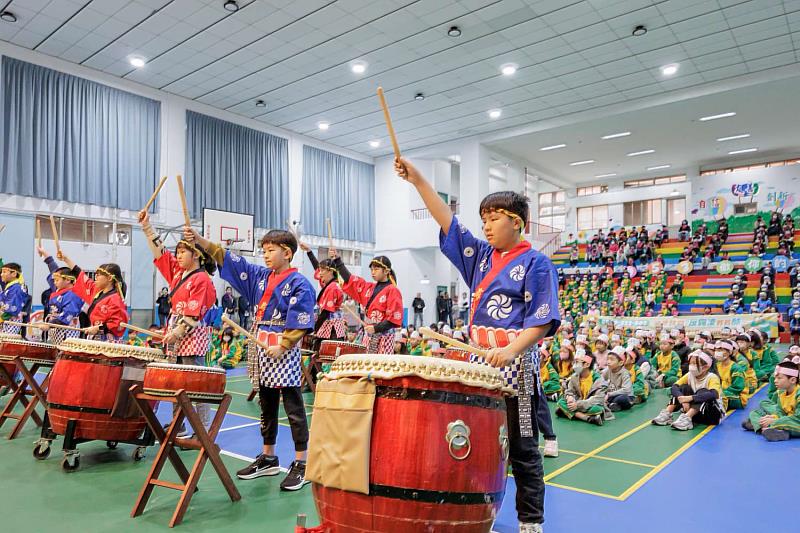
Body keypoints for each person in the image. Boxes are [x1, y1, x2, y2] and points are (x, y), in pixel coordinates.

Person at [397, 157, 560, 532]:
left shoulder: (536, 263)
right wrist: (418, 180)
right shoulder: (481, 258)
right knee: (472, 440)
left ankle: (530, 520)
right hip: (478, 365)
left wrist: (511, 350)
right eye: (483, 219)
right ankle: (471, 512)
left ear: (517, 222)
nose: (485, 226)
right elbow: (447, 222)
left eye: (494, 218)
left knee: (522, 449)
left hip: (516, 371)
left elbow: (542, 320)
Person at [189, 226, 315, 491]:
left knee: (293, 408)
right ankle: (268, 457)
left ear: (287, 253)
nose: (266, 255)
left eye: (271, 251)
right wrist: (199, 241)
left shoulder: (300, 283)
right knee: (266, 404)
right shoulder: (259, 276)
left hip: (283, 348)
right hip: (262, 345)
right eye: (264, 251)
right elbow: (229, 259)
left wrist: (284, 343)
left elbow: (302, 318)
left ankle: (302, 462)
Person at [138, 210, 218, 436]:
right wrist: (147, 227)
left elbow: (194, 313)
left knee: (196, 383)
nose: (178, 255)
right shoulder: (177, 275)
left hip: (192, 334)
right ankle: (179, 424)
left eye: (183, 252)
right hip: (176, 332)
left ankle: (201, 427)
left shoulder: (202, 279)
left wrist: (178, 331)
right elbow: (160, 253)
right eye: (178, 252)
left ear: (197, 256)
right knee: (177, 382)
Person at [329, 250, 403, 354]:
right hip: (368, 334)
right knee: (367, 365)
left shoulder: (393, 290)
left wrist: (376, 328)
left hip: (384, 337)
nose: (373, 272)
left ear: (386, 271)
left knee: (381, 367)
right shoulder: (369, 288)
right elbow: (351, 280)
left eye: (376, 269)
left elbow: (393, 320)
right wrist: (337, 260)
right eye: (372, 269)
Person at [59, 253, 128, 341]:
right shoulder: (97, 292)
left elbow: (117, 323)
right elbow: (81, 276)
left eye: (99, 275)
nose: (96, 277)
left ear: (109, 278)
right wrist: (66, 259)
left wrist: (97, 328)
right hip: (94, 334)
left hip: (108, 339)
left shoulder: (116, 299)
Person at [652, 350, 725, 430]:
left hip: (712, 416)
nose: (691, 366)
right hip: (696, 413)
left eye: (694, 363)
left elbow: (714, 394)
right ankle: (667, 414)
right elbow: (674, 387)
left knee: (704, 392)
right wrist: (682, 399)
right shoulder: (690, 375)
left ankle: (687, 418)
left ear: (705, 367)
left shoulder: (712, 377)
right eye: (690, 363)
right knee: (683, 387)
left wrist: (690, 398)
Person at [300, 243, 346, 350]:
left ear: (330, 271)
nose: (319, 273)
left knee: (323, 358)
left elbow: (325, 312)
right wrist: (309, 251)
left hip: (331, 329)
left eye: (322, 270)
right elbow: (317, 267)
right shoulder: (330, 284)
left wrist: (313, 328)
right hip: (328, 327)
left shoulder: (333, 287)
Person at [36, 246, 83, 345]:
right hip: (55, 327)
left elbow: (69, 313)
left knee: (63, 355)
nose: (54, 282)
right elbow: (53, 267)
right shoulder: (58, 289)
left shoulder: (73, 294)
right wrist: (45, 253)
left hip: (67, 330)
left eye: (57, 280)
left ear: (67, 280)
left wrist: (49, 324)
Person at [743, 361, 800, 441]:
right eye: (775, 378)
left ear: (793, 380)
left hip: (796, 421)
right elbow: (780, 412)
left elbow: (797, 418)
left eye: (779, 378)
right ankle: (779, 431)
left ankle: (761, 426)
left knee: (783, 421)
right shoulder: (781, 393)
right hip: (786, 419)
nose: (775, 381)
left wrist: (775, 420)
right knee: (755, 413)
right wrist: (774, 417)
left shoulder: (798, 394)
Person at [556, 351, 608, 425]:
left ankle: (570, 413)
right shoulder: (574, 377)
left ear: (586, 364)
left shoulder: (598, 380)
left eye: (577, 362)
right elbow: (569, 391)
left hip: (589, 404)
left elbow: (598, 398)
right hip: (577, 403)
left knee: (597, 409)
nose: (574, 365)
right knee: (561, 402)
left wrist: (578, 405)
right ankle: (587, 418)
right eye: (574, 362)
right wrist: (569, 397)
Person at [0, 262, 29, 334]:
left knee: (6, 343)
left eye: (4, 272)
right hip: (5, 319)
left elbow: (12, 308)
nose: (1, 274)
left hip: (11, 321)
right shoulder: (10, 287)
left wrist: (1, 318)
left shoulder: (17, 288)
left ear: (14, 274)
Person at [604, 346, 633, 412]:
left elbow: (626, 390)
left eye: (612, 359)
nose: (608, 362)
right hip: (611, 395)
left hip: (625, 395)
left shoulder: (625, 373)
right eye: (608, 359)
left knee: (623, 398)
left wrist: (609, 394)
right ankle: (613, 405)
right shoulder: (607, 370)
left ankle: (611, 404)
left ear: (621, 363)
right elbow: (600, 381)